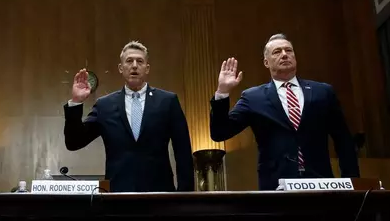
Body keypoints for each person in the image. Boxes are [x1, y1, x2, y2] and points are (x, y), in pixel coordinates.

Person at [210, 34, 360, 190]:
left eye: (289, 50)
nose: (284, 54)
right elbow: (220, 133)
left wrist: (353, 184)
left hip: (320, 184)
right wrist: (222, 92)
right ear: (266, 62)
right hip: (275, 187)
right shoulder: (253, 97)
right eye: (277, 52)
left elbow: (344, 141)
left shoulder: (322, 92)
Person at [64, 41, 194, 192]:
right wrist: (76, 102)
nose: (134, 65)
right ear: (121, 68)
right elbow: (74, 142)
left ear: (147, 68)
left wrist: (185, 197)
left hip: (160, 195)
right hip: (118, 197)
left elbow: (183, 151)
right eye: (129, 61)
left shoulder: (167, 101)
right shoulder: (104, 105)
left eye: (140, 61)